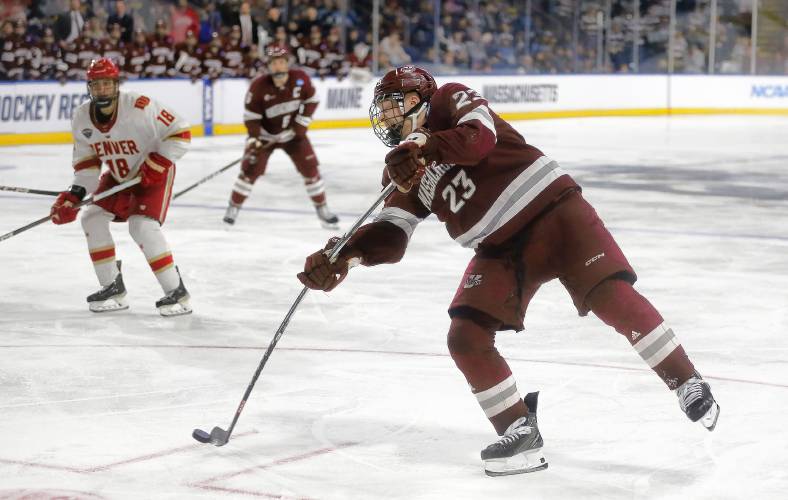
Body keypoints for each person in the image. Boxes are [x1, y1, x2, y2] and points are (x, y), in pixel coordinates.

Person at [296, 66, 720, 476]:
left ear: (418, 99)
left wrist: (426, 145)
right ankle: (519, 429)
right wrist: (347, 254)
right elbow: (391, 235)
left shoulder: (449, 99)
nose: (385, 116)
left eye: (391, 104)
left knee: (610, 296)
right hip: (501, 249)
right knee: (465, 335)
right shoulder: (400, 170)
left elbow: (477, 139)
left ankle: (686, 381)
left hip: (553, 210)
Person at [50, 58, 192, 317]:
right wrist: (74, 195)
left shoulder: (139, 106)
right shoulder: (82, 116)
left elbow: (180, 132)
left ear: (116, 84)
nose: (102, 89)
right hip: (119, 175)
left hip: (153, 171)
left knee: (141, 225)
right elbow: (87, 165)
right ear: (89, 87)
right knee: (91, 217)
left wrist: (158, 162)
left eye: (107, 83)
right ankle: (112, 287)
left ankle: (177, 291)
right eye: (97, 84)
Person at [223, 44, 339, 229]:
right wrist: (254, 139)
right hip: (264, 136)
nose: (278, 66)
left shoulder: (300, 79)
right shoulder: (258, 87)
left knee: (311, 170)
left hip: (292, 135)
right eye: (274, 63)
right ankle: (233, 207)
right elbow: (251, 118)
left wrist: (300, 125)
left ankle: (322, 209)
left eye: (281, 62)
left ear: (287, 63)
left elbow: (312, 100)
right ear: (269, 66)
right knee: (249, 172)